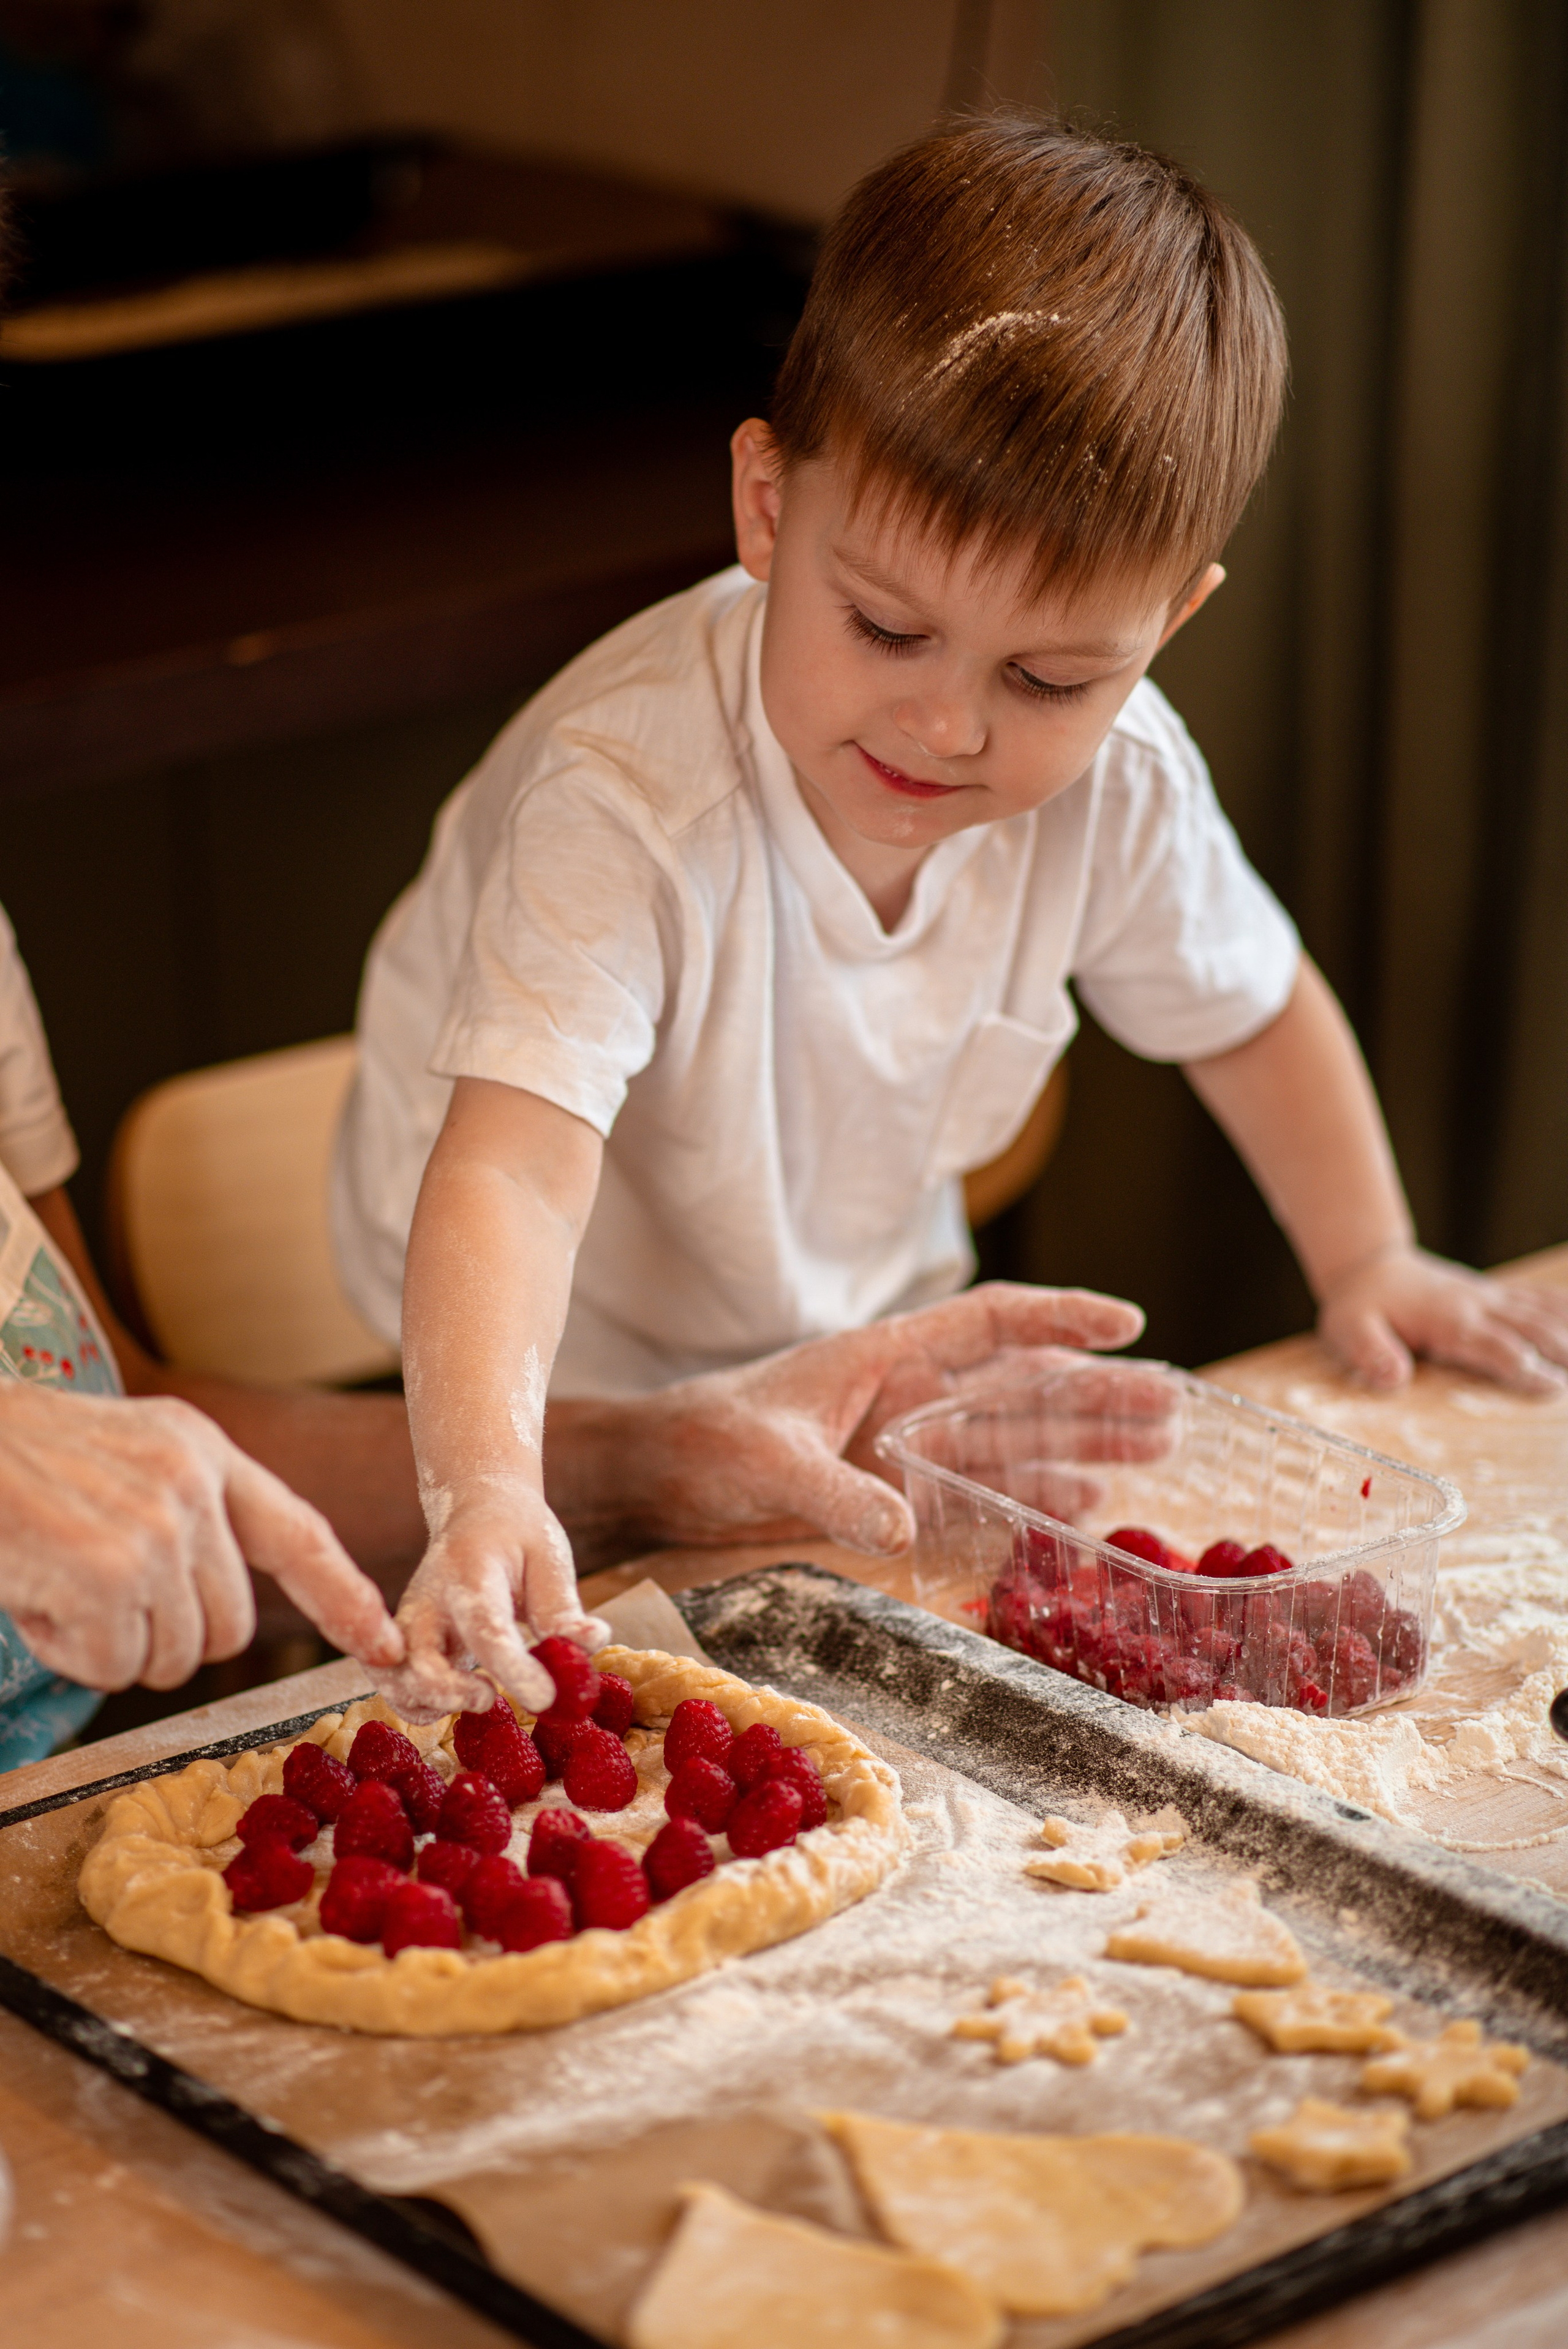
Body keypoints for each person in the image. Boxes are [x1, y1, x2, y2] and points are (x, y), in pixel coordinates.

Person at [328, 114, 1568, 1719]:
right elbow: (509, 1162)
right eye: (888, 627)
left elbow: (1251, 1007)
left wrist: (1371, 1248)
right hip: (540, 1367)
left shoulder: (1119, 782)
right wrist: (488, 1485)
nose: (951, 727)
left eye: (1050, 676)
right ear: (767, 509)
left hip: (841, 1316)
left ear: (1171, 617)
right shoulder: (629, 800)